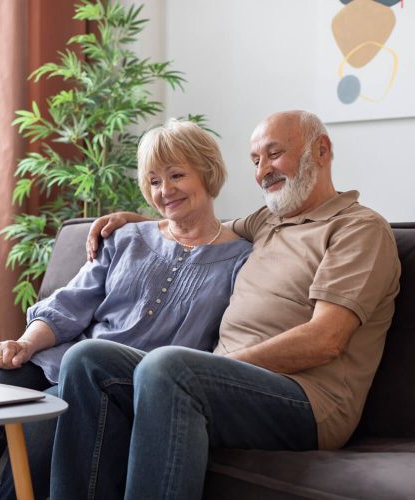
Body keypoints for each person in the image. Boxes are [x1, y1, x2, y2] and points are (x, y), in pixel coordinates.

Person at [50, 110, 401, 500]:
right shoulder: (267, 221)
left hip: (307, 400)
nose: (263, 170)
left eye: (274, 153)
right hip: (225, 381)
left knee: (168, 366)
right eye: (255, 161)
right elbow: (196, 226)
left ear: (321, 150)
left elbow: (326, 339)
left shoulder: (358, 228)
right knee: (88, 358)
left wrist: (221, 368)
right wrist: (140, 222)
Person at [0, 118, 252, 500]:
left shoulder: (241, 260)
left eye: (177, 175)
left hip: (123, 384)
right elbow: (70, 303)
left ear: (208, 172)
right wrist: (26, 344)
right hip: (60, 359)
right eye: (154, 181)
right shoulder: (126, 237)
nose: (165, 191)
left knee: (43, 427)